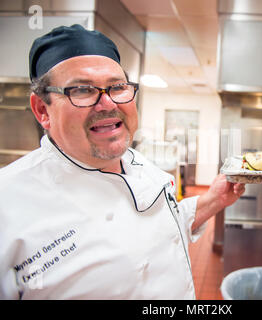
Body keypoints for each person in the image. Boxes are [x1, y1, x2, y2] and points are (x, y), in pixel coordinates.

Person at [0, 24, 245, 300]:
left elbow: (165, 225)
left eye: (117, 87)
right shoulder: (7, 205)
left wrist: (213, 199)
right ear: (43, 110)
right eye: (82, 90)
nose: (107, 103)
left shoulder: (140, 164)